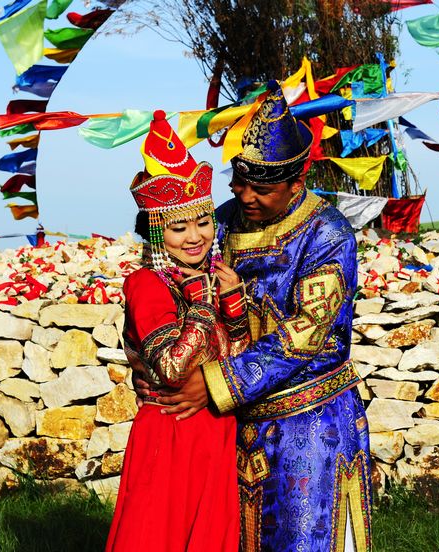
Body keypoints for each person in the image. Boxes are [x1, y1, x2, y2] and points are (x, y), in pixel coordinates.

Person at [143, 81, 374, 551]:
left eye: (261, 189)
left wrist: (213, 383)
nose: (246, 196)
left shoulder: (328, 234)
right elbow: (171, 268)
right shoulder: (225, 218)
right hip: (237, 421)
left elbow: (305, 334)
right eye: (239, 184)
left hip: (311, 424)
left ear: (296, 183)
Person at [105, 110, 250, 552]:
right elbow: (170, 366)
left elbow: (235, 355)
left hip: (215, 428)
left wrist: (235, 307)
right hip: (170, 433)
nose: (195, 237)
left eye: (202, 222)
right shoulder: (147, 285)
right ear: (155, 232)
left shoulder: (215, 275)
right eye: (178, 227)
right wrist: (206, 306)